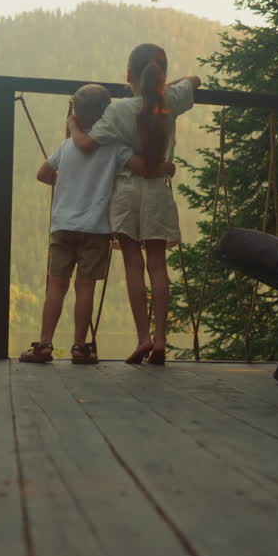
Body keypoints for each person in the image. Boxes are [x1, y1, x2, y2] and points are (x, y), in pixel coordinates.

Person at [20, 84, 170, 364]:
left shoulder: (66, 146)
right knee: (84, 287)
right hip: (96, 229)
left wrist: (64, 183)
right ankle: (79, 346)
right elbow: (143, 168)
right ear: (107, 116)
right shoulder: (115, 147)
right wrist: (166, 168)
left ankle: (43, 345)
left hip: (62, 226)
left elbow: (43, 174)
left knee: (56, 286)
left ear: (75, 113)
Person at [69, 43, 200, 365]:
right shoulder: (171, 99)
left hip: (127, 192)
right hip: (157, 191)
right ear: (162, 75)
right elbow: (195, 80)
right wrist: (167, 86)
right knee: (158, 265)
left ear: (129, 75)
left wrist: (73, 124)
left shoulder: (117, 110)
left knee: (133, 266)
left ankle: (142, 337)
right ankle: (160, 339)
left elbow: (85, 145)